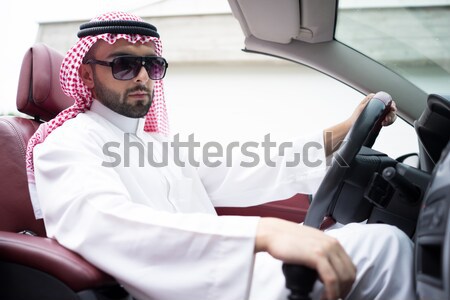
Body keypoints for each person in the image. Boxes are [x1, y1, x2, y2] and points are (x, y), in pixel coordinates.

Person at [26, 11, 415, 300]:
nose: (143, 76)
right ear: (87, 75)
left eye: (152, 65)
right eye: (125, 65)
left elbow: (246, 165)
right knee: (384, 247)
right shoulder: (65, 145)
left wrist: (343, 129)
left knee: (378, 239)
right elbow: (107, 224)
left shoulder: (157, 145)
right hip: (185, 285)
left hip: (224, 272)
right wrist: (262, 233)